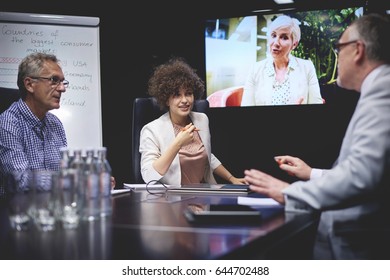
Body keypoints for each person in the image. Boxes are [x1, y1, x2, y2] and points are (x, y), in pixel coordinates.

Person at [244, 13, 390, 259]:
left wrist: (287, 193)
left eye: (338, 47)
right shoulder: (376, 89)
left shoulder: (382, 91)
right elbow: (372, 173)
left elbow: (361, 176)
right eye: (273, 35)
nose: (336, 56)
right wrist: (311, 173)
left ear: (358, 51)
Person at [0, 53, 115, 197]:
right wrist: (78, 180)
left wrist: (90, 179)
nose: (62, 88)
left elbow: (63, 174)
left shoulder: (55, 123)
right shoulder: (7, 124)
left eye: (62, 82)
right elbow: (20, 181)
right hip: (18, 213)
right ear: (29, 84)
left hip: (54, 209)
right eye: (54, 80)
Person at [140, 57, 245, 185]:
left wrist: (231, 178)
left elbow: (207, 155)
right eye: (177, 95)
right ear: (166, 99)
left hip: (204, 196)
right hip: (171, 200)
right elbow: (148, 175)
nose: (185, 100)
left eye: (188, 93)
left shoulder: (201, 119)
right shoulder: (151, 129)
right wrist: (177, 143)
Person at [241, 15, 323, 106]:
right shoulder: (255, 70)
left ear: (294, 44)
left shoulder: (307, 68)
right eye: (273, 35)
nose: (276, 43)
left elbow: (317, 104)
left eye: (284, 37)